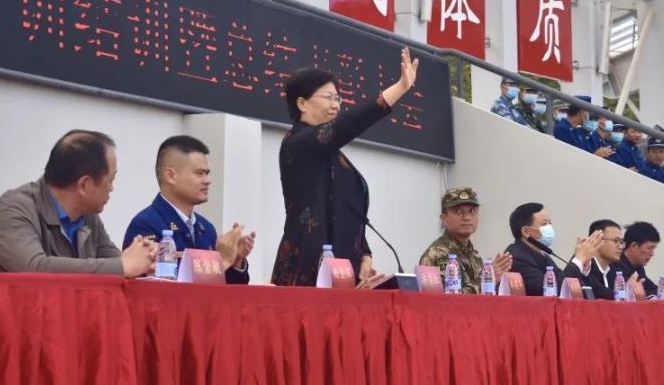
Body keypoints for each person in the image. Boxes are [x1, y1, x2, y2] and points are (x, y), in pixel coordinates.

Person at [271, 47, 418, 286]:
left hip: (342, 272)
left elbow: (346, 209)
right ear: (302, 103)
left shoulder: (333, 156)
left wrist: (365, 254)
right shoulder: (296, 143)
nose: (336, 105)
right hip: (305, 269)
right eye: (328, 97)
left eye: (338, 99)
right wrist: (399, 88)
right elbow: (348, 124)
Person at [0, 130, 157, 276]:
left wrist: (145, 258)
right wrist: (123, 266)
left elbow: (115, 261)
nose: (112, 188)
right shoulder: (13, 209)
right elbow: (35, 268)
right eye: (111, 180)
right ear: (84, 185)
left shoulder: (87, 215)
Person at [123, 136, 254, 284]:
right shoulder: (146, 225)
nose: (207, 180)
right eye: (199, 173)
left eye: (207, 173)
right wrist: (222, 261)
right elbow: (157, 286)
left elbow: (225, 289)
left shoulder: (206, 228)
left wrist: (235, 260)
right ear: (170, 175)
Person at [419, 187, 512, 294]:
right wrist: (488, 279)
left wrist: (496, 280)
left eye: (472, 211)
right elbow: (446, 299)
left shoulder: (474, 254)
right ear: (443, 218)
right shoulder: (437, 253)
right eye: (458, 211)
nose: (467, 217)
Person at [504, 202, 602, 296]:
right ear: (525, 231)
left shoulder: (542, 255)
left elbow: (562, 280)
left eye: (550, 223)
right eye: (544, 224)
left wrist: (583, 267)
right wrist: (579, 260)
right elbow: (552, 290)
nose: (549, 228)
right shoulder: (515, 257)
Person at [583, 219, 627, 300]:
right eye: (616, 241)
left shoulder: (615, 270)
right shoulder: (585, 264)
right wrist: (626, 296)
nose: (620, 247)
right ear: (598, 240)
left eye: (621, 242)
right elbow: (597, 290)